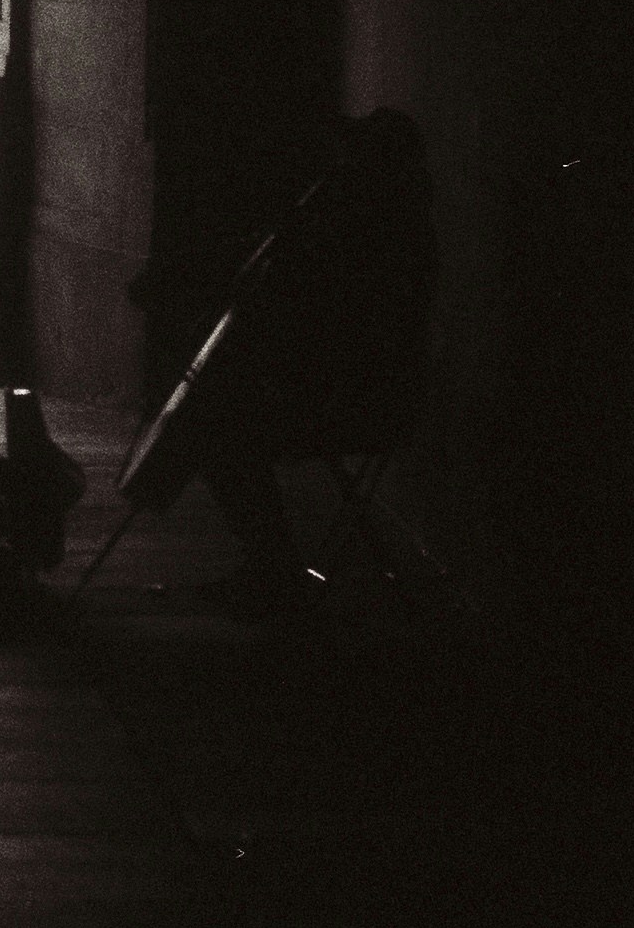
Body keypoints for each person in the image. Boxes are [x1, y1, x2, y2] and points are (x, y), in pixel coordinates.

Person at [120, 108, 439, 619]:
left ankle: (274, 568)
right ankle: (272, 566)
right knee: (219, 418)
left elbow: (326, 330)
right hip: (354, 388)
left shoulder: (372, 241)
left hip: (362, 399)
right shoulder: (387, 229)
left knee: (222, 431)